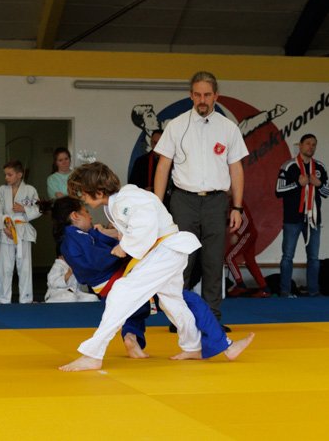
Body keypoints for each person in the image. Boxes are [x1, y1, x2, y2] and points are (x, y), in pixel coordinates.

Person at [51, 195, 252, 360]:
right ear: (75, 216)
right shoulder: (74, 239)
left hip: (111, 283)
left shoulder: (76, 237)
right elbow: (96, 261)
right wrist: (122, 250)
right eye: (86, 212)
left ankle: (133, 338)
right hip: (116, 279)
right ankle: (225, 345)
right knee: (188, 300)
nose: (90, 217)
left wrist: (110, 237)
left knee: (138, 308)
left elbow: (104, 248)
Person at [61, 162, 204, 372]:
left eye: (83, 193)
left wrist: (125, 247)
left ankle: (93, 354)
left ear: (98, 192)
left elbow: (144, 224)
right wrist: (114, 236)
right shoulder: (118, 202)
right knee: (171, 300)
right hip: (168, 251)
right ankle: (193, 346)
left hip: (165, 251)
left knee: (120, 293)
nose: (82, 198)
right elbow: (134, 226)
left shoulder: (124, 200)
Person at [153, 71, 248, 328]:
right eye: (197, 95)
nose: (202, 100)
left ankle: (212, 319)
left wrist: (237, 207)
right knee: (181, 261)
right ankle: (179, 319)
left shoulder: (228, 128)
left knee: (213, 262)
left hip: (216, 201)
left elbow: (236, 169)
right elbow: (163, 166)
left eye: (207, 95)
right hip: (183, 200)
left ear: (216, 96)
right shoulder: (176, 125)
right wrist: (157, 206)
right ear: (191, 95)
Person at [275, 133, 329, 297]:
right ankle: (285, 291)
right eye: (308, 143)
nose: (311, 147)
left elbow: (327, 192)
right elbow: (278, 191)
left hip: (313, 219)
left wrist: (318, 184)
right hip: (292, 218)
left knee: (313, 257)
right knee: (287, 256)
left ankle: (313, 291)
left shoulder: (320, 167)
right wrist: (297, 184)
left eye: (314, 144)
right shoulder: (288, 166)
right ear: (300, 145)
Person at [0, 160, 41, 304]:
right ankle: (3, 299)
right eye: (5, 175)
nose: (6, 177)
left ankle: (26, 299)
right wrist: (4, 227)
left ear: (19, 175)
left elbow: (39, 208)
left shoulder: (30, 190)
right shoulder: (2, 190)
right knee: (5, 267)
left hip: (23, 230)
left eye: (10, 174)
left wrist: (24, 209)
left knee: (24, 267)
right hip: (7, 229)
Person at [225, 201, 270, 297]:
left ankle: (240, 285)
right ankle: (265, 289)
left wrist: (237, 234)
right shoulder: (231, 202)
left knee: (229, 257)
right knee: (250, 262)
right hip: (250, 233)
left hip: (247, 234)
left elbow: (246, 221)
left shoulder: (237, 202)